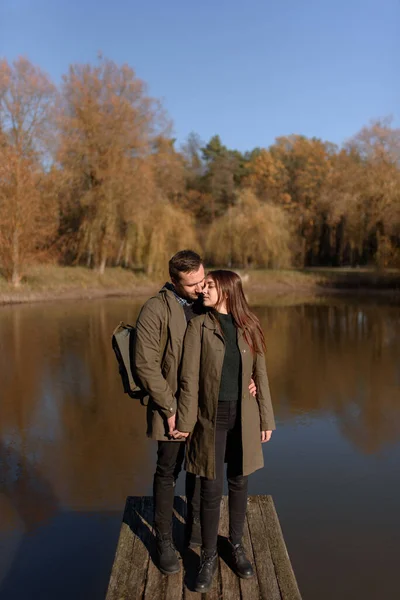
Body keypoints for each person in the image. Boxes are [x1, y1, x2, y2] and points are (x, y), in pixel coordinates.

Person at [134, 253, 257, 576]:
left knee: (202, 472)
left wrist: (249, 378)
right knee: (168, 471)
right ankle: (163, 540)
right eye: (192, 284)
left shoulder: (205, 303)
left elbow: (231, 344)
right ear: (175, 282)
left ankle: (198, 533)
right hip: (171, 406)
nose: (200, 288)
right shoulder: (155, 309)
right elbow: (144, 365)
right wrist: (170, 409)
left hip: (210, 410)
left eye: (203, 281)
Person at [172, 270, 275, 592]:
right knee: (211, 485)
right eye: (203, 286)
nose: (203, 290)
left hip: (243, 416)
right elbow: (188, 378)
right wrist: (186, 422)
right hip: (210, 418)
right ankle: (209, 555)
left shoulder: (249, 326)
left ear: (227, 291)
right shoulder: (198, 326)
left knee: (240, 480)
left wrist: (266, 419)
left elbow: (261, 374)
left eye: (210, 286)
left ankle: (237, 545)